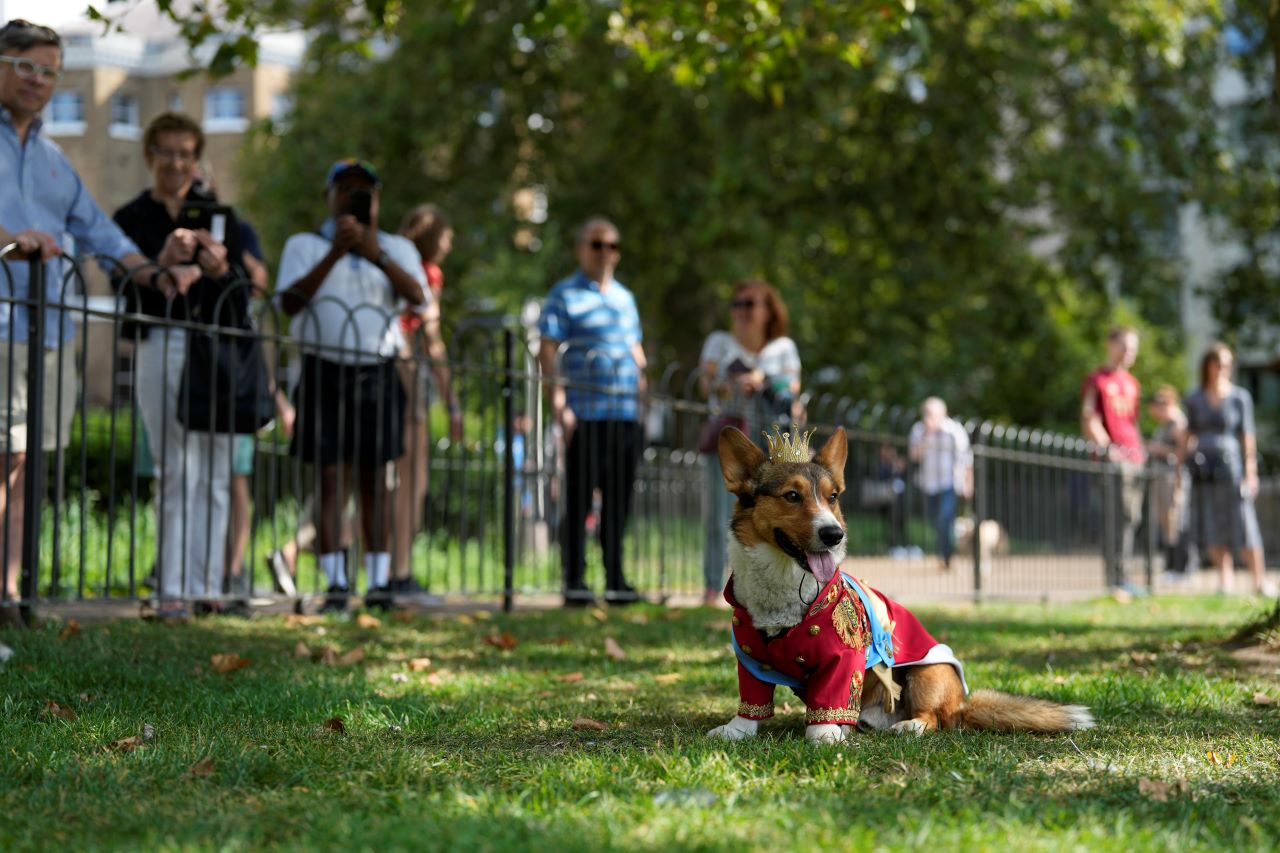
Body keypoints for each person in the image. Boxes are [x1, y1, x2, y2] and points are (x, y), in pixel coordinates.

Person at [0, 20, 200, 619]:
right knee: (2, 457)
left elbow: (102, 233)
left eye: (49, 71)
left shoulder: (57, 160)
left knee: (25, 461)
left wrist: (156, 271)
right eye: (26, 66)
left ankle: (12, 593)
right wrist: (13, 239)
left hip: (52, 333)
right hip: (2, 326)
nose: (38, 80)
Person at [113, 111, 261, 617]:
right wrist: (161, 258)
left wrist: (220, 269)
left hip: (213, 351)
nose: (175, 163)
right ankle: (171, 585)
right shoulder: (132, 217)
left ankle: (207, 584)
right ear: (150, 155)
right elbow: (122, 283)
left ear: (197, 160)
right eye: (166, 152)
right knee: (175, 466)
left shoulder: (220, 215)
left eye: (185, 154)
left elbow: (244, 292)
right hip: (161, 342)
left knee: (217, 469)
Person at [277, 159, 428, 613]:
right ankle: (336, 584)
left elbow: (419, 297)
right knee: (328, 478)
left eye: (364, 193)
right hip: (324, 369)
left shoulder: (397, 249)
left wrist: (374, 253)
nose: (354, 199)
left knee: (375, 481)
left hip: (376, 371)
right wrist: (336, 253)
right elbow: (287, 302)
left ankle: (379, 582)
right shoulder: (304, 245)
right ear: (329, 197)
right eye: (345, 192)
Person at [538, 217, 647, 606]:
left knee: (619, 502)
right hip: (584, 414)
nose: (606, 253)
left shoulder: (625, 298)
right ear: (581, 248)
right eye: (597, 244)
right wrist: (559, 406)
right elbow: (548, 352)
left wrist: (643, 399)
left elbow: (636, 351)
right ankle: (574, 582)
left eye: (612, 246)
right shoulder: (563, 295)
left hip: (624, 415)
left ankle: (616, 581)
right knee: (579, 499)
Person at [697, 280, 801, 605]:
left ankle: (768, 586)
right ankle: (714, 586)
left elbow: (793, 392)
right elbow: (705, 384)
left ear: (768, 309)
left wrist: (764, 380)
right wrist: (732, 384)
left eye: (750, 304)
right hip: (732, 437)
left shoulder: (782, 347)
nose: (741, 311)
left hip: (772, 442)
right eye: (736, 304)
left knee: (774, 513)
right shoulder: (720, 341)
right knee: (718, 513)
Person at [383, 204, 462, 609]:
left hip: (381, 366)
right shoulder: (427, 273)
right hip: (406, 370)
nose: (450, 244)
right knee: (412, 479)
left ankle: (297, 549)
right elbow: (432, 338)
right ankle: (400, 572)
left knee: (382, 478)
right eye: (446, 236)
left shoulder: (387, 260)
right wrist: (452, 402)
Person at [1180, 343, 1271, 596]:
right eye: (1218, 363)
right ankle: (1225, 579)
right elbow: (1187, 436)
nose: (1223, 369)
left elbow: (1247, 436)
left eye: (1228, 364)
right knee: (1212, 521)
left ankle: (1259, 581)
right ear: (1208, 365)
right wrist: (1179, 467)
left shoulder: (1240, 397)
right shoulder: (1194, 398)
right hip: (1203, 470)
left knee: (1244, 521)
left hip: (1232, 467)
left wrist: (1250, 471)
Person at [1080, 326, 1146, 594]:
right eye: (1124, 346)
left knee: (1132, 517)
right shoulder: (1097, 380)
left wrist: (1141, 450)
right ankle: (1115, 579)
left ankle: (1125, 576)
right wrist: (1107, 448)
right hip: (1112, 459)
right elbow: (1088, 418)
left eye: (1133, 347)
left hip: (1135, 458)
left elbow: (1133, 422)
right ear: (1110, 345)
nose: (1129, 352)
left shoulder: (1132, 383)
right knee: (1115, 518)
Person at [908, 397, 973, 571]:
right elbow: (915, 456)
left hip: (949, 483)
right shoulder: (918, 430)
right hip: (929, 484)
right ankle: (946, 550)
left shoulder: (954, 431)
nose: (928, 417)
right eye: (926, 413)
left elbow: (966, 458)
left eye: (932, 414)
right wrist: (925, 437)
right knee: (934, 521)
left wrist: (968, 482)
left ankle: (946, 557)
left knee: (944, 519)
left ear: (943, 414)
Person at [1147, 385, 1189, 579]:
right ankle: (1170, 566)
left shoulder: (1178, 424)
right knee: (1166, 524)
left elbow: (1183, 453)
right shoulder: (1165, 425)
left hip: (1173, 477)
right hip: (1162, 477)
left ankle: (1180, 568)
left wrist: (1158, 449)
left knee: (1177, 521)